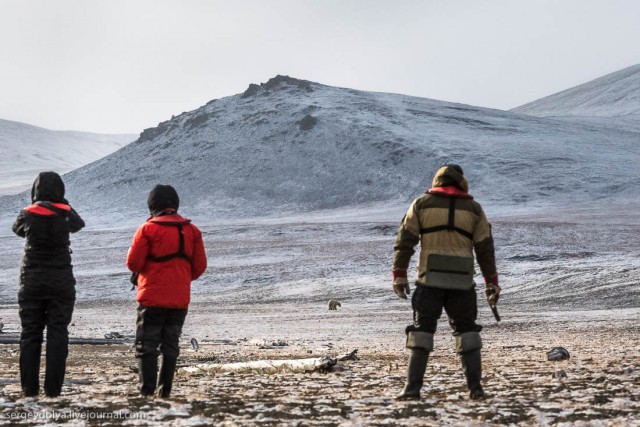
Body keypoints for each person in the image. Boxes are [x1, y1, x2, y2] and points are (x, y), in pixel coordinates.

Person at [392, 164, 500, 400]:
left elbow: (405, 240)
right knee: (467, 331)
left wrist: (399, 274)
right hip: (462, 283)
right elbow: (485, 249)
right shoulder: (474, 210)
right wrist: (491, 282)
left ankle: (411, 390)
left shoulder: (421, 204)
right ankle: (476, 389)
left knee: (422, 331)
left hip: (429, 280)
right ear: (461, 181)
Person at [126, 185, 207, 397]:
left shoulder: (147, 229)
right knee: (171, 344)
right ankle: (165, 392)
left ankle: (146, 393)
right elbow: (199, 267)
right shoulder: (192, 230)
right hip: (179, 300)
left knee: (147, 345)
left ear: (152, 206)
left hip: (152, 298)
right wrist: (179, 279)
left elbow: (133, 263)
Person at [12, 171, 85, 397]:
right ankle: (53, 390)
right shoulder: (65, 215)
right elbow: (79, 224)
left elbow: (17, 229)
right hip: (61, 283)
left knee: (30, 334)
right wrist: (63, 204)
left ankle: (29, 389)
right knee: (57, 333)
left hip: (32, 282)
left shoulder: (27, 213)